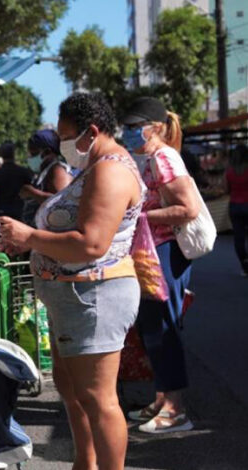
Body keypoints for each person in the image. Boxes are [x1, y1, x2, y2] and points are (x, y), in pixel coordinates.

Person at [0, 92, 145, 470]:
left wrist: (29, 237)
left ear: (91, 132)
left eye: (65, 136)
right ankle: (85, 463)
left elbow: (92, 243)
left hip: (95, 296)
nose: (62, 145)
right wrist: (29, 243)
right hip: (73, 297)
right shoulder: (93, 168)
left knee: (98, 398)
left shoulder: (111, 171)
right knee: (74, 390)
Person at [120, 96, 200, 434]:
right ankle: (161, 398)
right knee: (152, 329)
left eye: (133, 128)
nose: (126, 133)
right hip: (155, 251)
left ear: (153, 128)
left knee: (164, 329)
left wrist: (140, 216)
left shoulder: (164, 157)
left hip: (167, 251)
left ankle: (176, 409)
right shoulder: (149, 157)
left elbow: (188, 208)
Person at [21, 129, 72, 225]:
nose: (30, 157)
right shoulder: (45, 172)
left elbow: (63, 204)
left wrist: (32, 193)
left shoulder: (57, 170)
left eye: (33, 153)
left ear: (47, 152)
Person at [0, 142, 34, 222]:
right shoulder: (24, 172)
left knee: (3, 232)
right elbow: (30, 191)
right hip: (21, 211)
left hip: (3, 211)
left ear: (2, 155)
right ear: (14, 154)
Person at [226, 144, 248, 276]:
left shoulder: (229, 171)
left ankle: (244, 263)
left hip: (234, 205)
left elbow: (225, 189)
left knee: (239, 237)